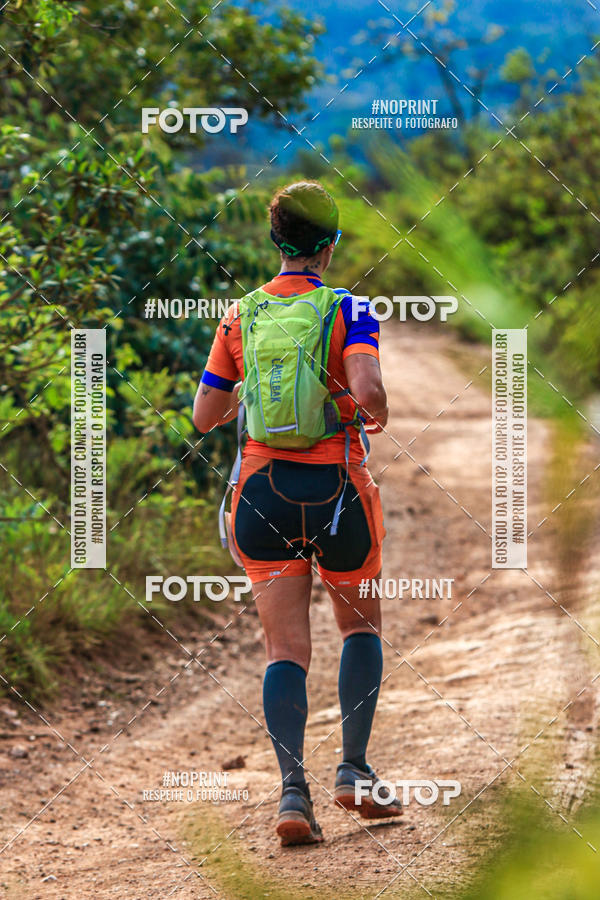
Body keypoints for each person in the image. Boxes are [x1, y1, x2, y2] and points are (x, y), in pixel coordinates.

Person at [193, 181, 401, 845]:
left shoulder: (241, 316)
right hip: (338, 493)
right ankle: (355, 772)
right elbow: (367, 390)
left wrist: (253, 396)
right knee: (360, 630)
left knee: (285, 649)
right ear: (331, 244)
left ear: (275, 240)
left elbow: (204, 416)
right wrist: (370, 410)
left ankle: (291, 796)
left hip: (261, 494)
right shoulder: (349, 308)